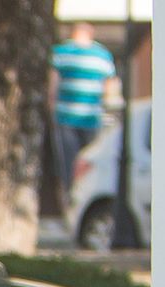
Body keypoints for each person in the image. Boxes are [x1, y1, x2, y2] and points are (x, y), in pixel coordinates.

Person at [50, 23, 117, 205]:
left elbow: (52, 85)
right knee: (88, 162)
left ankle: (71, 200)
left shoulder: (61, 53)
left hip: (67, 116)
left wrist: (51, 109)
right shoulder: (102, 55)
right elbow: (109, 87)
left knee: (69, 164)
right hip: (89, 117)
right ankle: (82, 199)